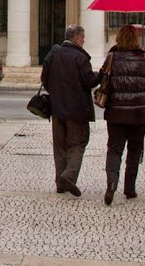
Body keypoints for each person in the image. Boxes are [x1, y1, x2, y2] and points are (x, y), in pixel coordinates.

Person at [99, 24, 145, 205]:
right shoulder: (143, 57)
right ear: (135, 39)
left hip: (116, 111)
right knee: (134, 149)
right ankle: (130, 188)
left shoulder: (112, 57)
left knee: (114, 149)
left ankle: (111, 183)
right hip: (138, 112)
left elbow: (102, 77)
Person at [40, 23, 100, 197]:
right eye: (82, 37)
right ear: (76, 38)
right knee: (78, 143)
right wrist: (99, 75)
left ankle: (60, 182)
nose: (84, 40)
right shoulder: (80, 58)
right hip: (77, 110)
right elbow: (89, 81)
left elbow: (44, 77)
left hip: (57, 109)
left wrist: (57, 93)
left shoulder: (54, 53)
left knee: (59, 146)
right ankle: (68, 176)